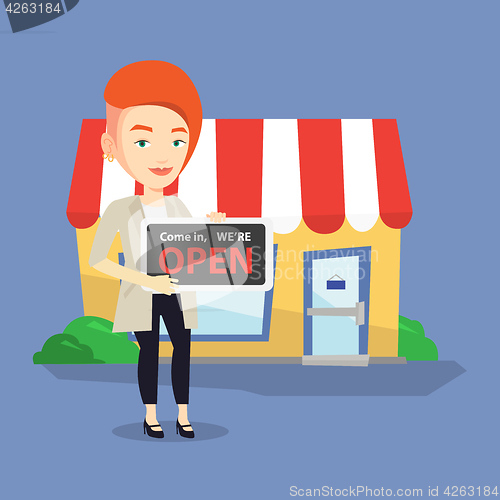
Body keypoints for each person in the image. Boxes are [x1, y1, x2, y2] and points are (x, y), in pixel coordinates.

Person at [88, 60, 225, 439]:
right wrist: (143, 279)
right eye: (143, 142)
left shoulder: (180, 206)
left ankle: (182, 414)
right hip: (141, 293)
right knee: (149, 353)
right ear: (112, 147)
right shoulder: (120, 209)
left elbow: (196, 255)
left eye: (177, 141)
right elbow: (96, 259)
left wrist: (213, 232)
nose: (163, 157)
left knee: (183, 350)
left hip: (179, 292)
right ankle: (150, 415)